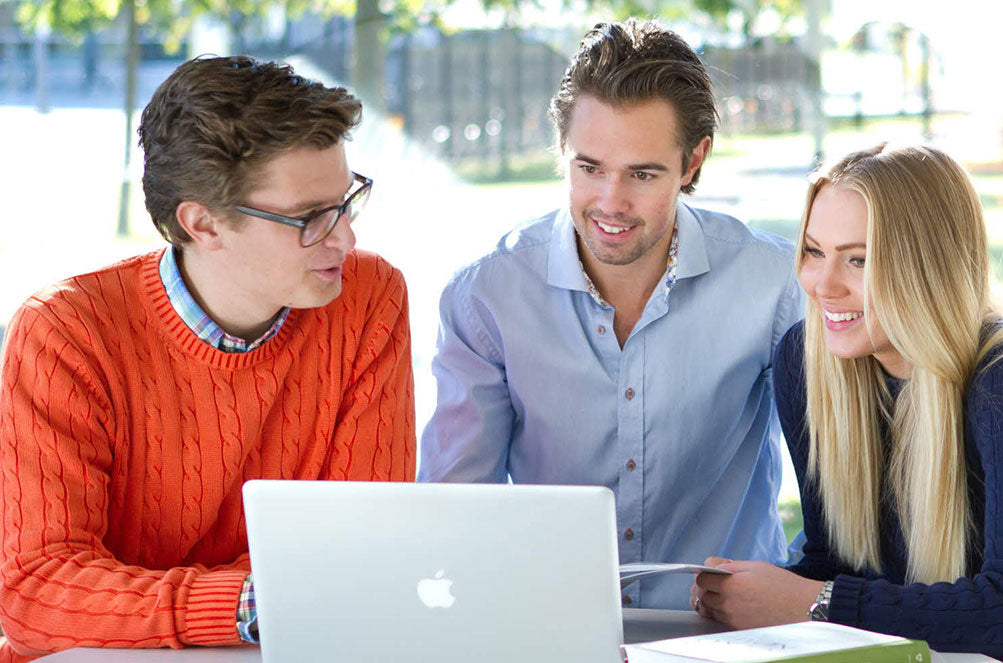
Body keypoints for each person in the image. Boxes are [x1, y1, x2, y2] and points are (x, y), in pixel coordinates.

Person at [0, 56, 415, 661]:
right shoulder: (67, 331)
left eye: (346, 201)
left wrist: (255, 604)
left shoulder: (368, 297)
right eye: (309, 218)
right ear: (203, 225)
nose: (345, 238)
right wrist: (252, 605)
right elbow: (39, 593)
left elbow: (363, 547)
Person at [419, 19, 804, 610]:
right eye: (589, 167)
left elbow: (850, 490)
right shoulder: (486, 298)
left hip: (728, 637)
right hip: (549, 629)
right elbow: (455, 511)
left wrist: (796, 591)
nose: (610, 203)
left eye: (642, 174)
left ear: (693, 161)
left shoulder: (775, 286)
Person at [691, 143, 1003, 663]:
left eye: (858, 259)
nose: (823, 286)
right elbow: (835, 562)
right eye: (814, 251)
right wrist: (751, 594)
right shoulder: (807, 358)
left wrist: (812, 603)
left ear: (928, 267)